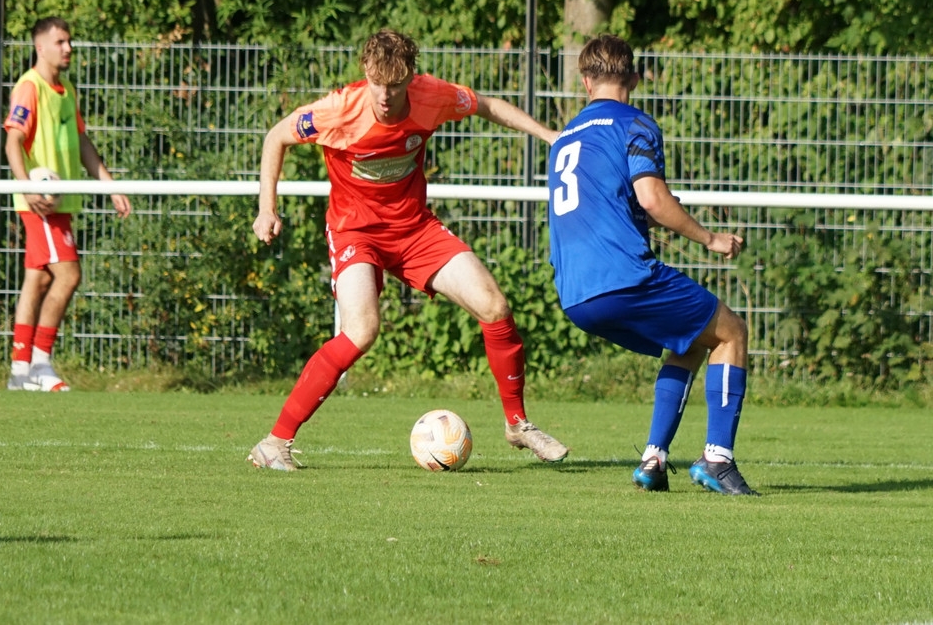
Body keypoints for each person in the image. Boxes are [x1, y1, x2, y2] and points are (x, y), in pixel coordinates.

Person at [247, 29, 568, 471]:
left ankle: (517, 425)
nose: (385, 96)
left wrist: (549, 135)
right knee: (362, 330)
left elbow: (488, 106)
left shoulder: (432, 95)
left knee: (494, 305)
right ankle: (274, 442)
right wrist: (267, 208)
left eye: (395, 85)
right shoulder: (338, 110)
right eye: (377, 83)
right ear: (366, 72)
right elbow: (275, 137)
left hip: (415, 230)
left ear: (410, 77)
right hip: (355, 231)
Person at [547, 34, 757, 495]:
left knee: (692, 340)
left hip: (575, 293)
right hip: (623, 278)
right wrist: (710, 238)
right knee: (732, 332)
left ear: (586, 82)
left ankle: (653, 459)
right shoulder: (635, 124)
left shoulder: (564, 139)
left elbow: (615, 205)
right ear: (636, 79)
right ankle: (718, 459)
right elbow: (651, 198)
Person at [4, 17, 132, 392]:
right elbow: (13, 141)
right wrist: (28, 187)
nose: (68, 48)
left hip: (58, 203)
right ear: (40, 47)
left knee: (39, 277)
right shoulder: (30, 87)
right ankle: (40, 364)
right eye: (60, 42)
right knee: (68, 274)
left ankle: (20, 370)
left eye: (69, 41)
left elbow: (82, 141)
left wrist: (110, 185)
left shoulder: (66, 89)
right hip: (41, 204)